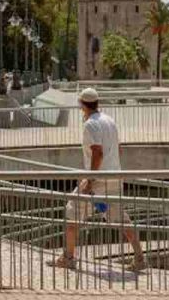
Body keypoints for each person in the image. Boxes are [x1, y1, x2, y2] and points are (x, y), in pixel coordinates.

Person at [49, 88, 146, 271]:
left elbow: (97, 152)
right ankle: (139, 257)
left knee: (72, 213)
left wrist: (90, 179)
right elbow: (117, 148)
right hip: (114, 177)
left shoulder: (90, 124)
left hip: (97, 181)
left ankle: (68, 257)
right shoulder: (109, 120)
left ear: (81, 105)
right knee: (120, 219)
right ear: (97, 103)